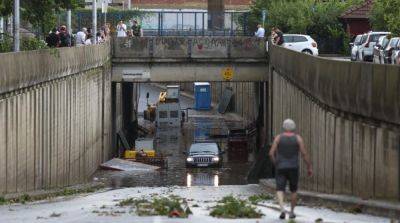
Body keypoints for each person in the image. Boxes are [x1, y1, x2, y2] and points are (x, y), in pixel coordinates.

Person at [269, 119, 312, 220]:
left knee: (280, 189)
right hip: (293, 167)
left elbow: (271, 153)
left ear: (284, 127)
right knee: (293, 190)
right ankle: (292, 212)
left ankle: (282, 209)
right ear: (294, 127)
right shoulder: (298, 138)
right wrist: (309, 167)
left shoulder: (278, 138)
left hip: (281, 167)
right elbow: (304, 154)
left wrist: (276, 163)